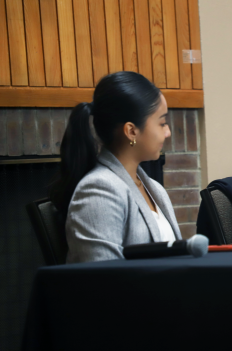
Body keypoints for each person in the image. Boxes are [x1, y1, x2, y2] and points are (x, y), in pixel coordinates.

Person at [50, 71, 181, 263]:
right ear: (131, 131)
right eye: (162, 123)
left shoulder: (154, 188)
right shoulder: (99, 190)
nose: (168, 132)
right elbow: (104, 279)